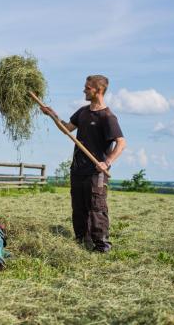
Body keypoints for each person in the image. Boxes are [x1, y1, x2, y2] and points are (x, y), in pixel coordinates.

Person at [40, 75, 126, 252]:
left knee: (96, 208)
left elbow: (121, 142)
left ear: (98, 90)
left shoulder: (107, 117)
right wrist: (52, 115)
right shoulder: (83, 112)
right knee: (78, 209)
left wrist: (107, 162)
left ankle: (102, 246)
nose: (84, 90)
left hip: (96, 172)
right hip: (78, 169)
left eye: (88, 88)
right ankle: (81, 243)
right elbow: (67, 129)